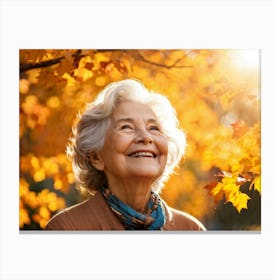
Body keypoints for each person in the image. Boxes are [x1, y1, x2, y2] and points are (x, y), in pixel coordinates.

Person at [45, 79, 206, 231]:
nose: (146, 137)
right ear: (96, 157)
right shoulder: (68, 228)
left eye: (154, 128)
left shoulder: (190, 229)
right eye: (126, 127)